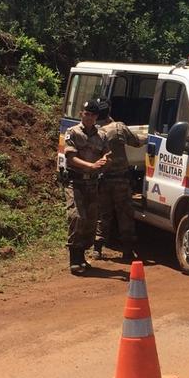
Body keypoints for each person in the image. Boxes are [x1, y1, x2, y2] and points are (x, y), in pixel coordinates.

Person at [93, 98, 147, 262]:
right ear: (109, 110)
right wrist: (150, 137)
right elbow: (137, 142)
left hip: (103, 180)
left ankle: (97, 248)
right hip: (121, 180)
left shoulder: (94, 132)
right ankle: (127, 251)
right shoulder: (118, 127)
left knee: (103, 214)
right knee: (125, 215)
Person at [62, 100, 110, 275]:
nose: (88, 117)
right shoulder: (72, 132)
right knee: (76, 217)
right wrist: (90, 166)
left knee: (90, 221)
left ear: (96, 117)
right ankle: (74, 260)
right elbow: (70, 157)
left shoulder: (102, 136)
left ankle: (82, 257)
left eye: (92, 115)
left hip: (93, 184)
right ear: (81, 114)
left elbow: (106, 154)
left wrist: (105, 161)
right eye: (86, 114)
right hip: (75, 182)